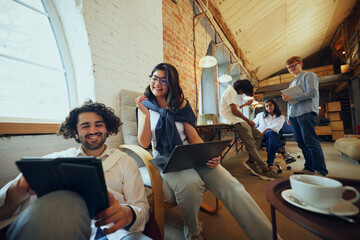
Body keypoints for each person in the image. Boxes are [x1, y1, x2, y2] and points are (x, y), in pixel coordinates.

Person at [136, 63, 280, 240]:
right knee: (191, 183)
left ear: (172, 83)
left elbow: (194, 137)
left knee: (234, 187)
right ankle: (193, 230)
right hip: (165, 157)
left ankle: (269, 237)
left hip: (190, 151)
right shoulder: (145, 105)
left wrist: (210, 154)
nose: (157, 83)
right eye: (154, 78)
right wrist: (144, 114)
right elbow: (143, 143)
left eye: (163, 80)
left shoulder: (181, 104)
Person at [0, 101, 150, 240]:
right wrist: (14, 195)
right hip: (62, 230)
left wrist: (128, 214)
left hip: (115, 234)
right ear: (76, 133)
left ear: (107, 129)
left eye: (99, 124)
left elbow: (141, 207)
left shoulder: (125, 162)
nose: (93, 130)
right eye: (85, 126)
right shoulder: (56, 160)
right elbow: (8, 203)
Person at [220, 79, 280, 180]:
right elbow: (234, 111)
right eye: (242, 92)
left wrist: (245, 105)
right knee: (251, 144)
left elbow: (234, 108)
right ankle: (265, 169)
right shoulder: (231, 92)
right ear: (240, 88)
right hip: (235, 120)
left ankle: (251, 162)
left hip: (237, 119)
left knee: (257, 135)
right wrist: (248, 120)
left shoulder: (232, 91)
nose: (242, 94)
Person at [282, 56, 328, 176]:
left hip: (306, 112)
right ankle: (309, 168)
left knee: (310, 141)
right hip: (294, 115)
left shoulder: (309, 75)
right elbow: (290, 101)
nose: (291, 68)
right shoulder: (291, 82)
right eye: (288, 67)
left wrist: (292, 97)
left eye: (293, 65)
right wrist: (288, 116)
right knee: (301, 142)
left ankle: (320, 170)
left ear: (300, 64)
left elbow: (312, 92)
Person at [253, 99, 296, 171]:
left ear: (274, 106)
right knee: (272, 136)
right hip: (261, 136)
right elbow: (253, 125)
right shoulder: (260, 115)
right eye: (266, 106)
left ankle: (270, 166)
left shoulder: (280, 117)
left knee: (271, 139)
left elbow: (277, 127)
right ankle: (283, 153)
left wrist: (265, 130)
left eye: (270, 105)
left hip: (272, 136)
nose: (268, 107)